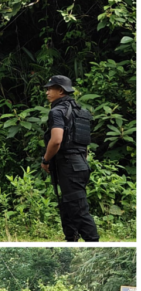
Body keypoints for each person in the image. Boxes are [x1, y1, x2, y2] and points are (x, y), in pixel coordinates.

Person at [41, 75, 99, 242]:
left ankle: (92, 242)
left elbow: (57, 140)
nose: (47, 92)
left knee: (78, 210)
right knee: (68, 206)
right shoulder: (80, 111)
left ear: (60, 90)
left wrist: (45, 160)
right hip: (80, 164)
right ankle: (71, 240)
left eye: (50, 89)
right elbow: (83, 142)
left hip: (68, 166)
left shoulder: (57, 111)